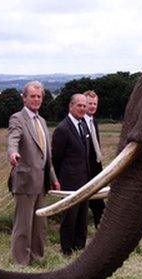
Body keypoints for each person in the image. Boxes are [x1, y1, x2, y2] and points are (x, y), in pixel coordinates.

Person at [7, 81, 60, 266]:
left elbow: (47, 155)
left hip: (42, 183)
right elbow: (13, 138)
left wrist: (53, 179)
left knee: (39, 226)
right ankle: (20, 263)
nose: (36, 100)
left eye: (39, 96)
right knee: (23, 226)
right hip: (25, 181)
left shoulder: (42, 121)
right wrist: (12, 153)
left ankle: (37, 258)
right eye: (32, 96)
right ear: (24, 98)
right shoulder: (17, 118)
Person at [52, 94, 90, 255]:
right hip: (69, 181)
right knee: (69, 217)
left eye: (84, 106)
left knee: (83, 216)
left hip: (85, 180)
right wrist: (61, 179)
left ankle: (80, 247)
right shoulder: (62, 128)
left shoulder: (84, 125)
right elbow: (56, 158)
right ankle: (66, 250)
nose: (82, 108)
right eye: (79, 105)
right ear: (71, 106)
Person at [83, 90, 106, 228]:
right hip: (85, 171)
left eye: (95, 104)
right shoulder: (80, 123)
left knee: (99, 204)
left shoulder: (94, 122)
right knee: (91, 205)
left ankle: (101, 229)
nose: (92, 106)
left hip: (96, 169)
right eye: (89, 103)